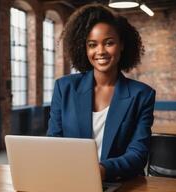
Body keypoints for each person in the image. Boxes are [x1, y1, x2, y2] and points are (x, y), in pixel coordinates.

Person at [47, 4, 156, 181]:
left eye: (109, 43)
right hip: (73, 179)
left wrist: (103, 170)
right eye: (92, 45)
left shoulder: (142, 95)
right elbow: (54, 141)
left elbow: (138, 154)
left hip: (121, 183)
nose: (100, 51)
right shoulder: (64, 87)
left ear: (121, 45)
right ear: (84, 48)